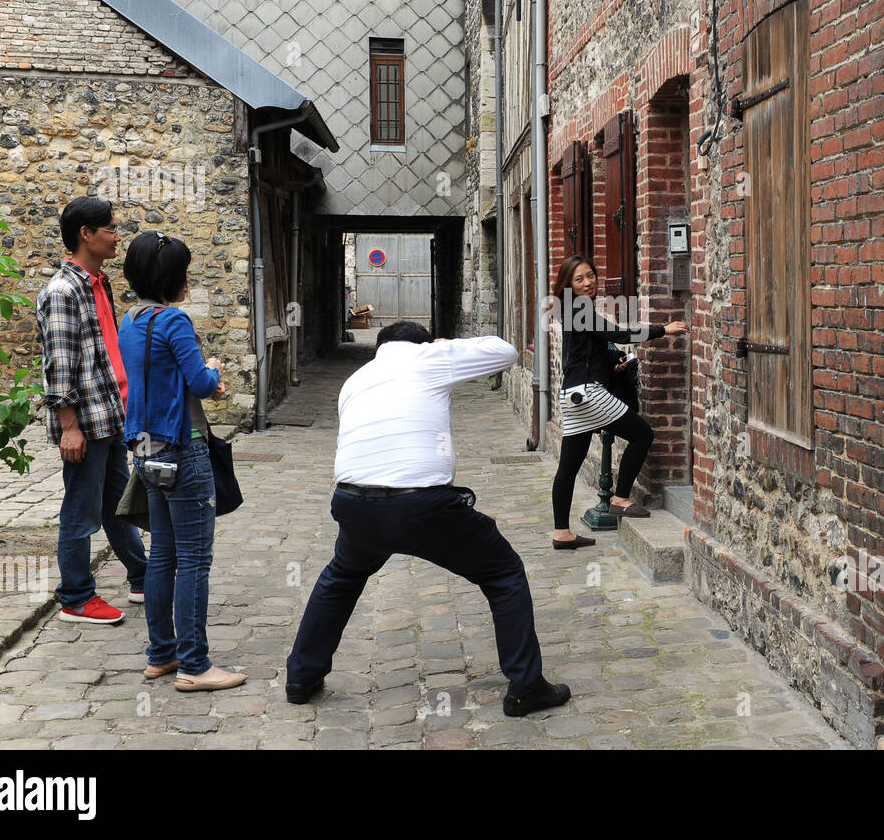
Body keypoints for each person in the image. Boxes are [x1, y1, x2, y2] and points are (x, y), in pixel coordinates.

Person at [286, 322, 570, 717]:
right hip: (421, 505)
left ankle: (301, 675)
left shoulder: (356, 379)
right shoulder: (428, 357)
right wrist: (445, 345)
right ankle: (526, 686)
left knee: (341, 577)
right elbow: (505, 352)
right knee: (504, 574)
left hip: (353, 503)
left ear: (380, 347)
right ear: (424, 343)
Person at [117, 230, 245, 692]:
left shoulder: (128, 322)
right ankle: (195, 664)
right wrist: (215, 372)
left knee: (164, 555)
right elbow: (201, 382)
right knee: (194, 558)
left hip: (145, 446)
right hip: (183, 445)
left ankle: (161, 654)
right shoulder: (174, 322)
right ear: (174, 278)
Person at [35, 197, 147, 625]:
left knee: (119, 503)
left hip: (110, 415)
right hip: (84, 422)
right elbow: (59, 364)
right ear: (87, 234)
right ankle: (77, 597)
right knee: (80, 510)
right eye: (111, 229)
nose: (117, 237)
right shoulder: (63, 292)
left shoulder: (98, 283)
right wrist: (69, 426)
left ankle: (141, 576)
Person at [550, 254, 687, 549]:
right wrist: (663, 330)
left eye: (590, 275)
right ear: (568, 285)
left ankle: (561, 532)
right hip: (588, 395)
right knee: (642, 434)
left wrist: (615, 362)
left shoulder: (572, 311)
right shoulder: (578, 309)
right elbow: (620, 333)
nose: (588, 282)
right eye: (579, 279)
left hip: (572, 396)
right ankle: (621, 499)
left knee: (568, 467)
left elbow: (586, 353)